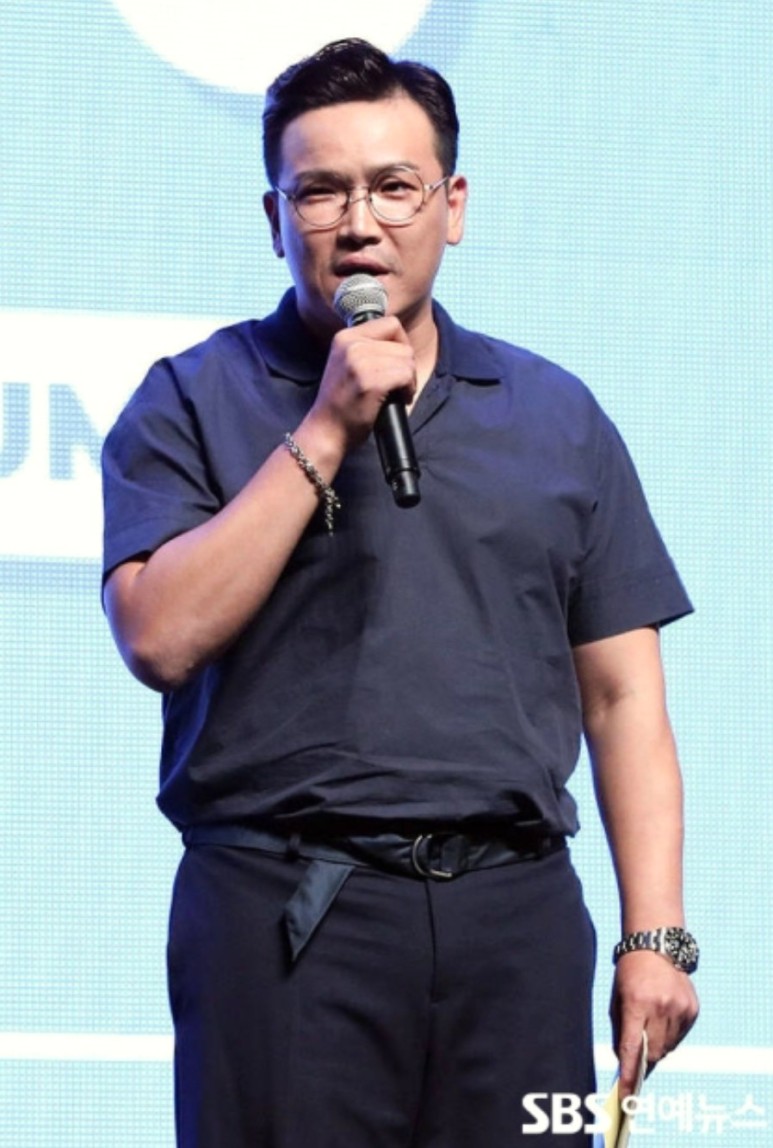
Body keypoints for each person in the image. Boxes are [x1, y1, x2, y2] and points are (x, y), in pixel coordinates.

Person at [101, 37, 699, 1148]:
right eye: (319, 191)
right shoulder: (192, 396)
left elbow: (622, 698)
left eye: (393, 187)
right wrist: (326, 425)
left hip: (514, 919)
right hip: (286, 912)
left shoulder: (553, 414)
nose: (358, 223)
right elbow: (159, 637)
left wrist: (653, 935)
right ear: (275, 218)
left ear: (450, 206)